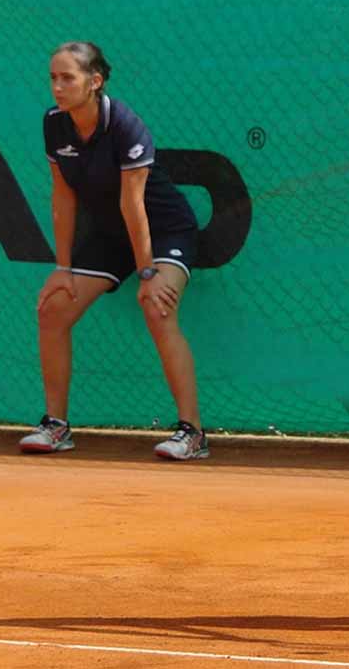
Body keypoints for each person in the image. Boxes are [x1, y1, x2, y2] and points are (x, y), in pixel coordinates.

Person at [19, 41, 208, 461]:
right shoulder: (54, 124)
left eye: (67, 77)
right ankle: (56, 425)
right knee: (53, 309)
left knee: (158, 308)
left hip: (163, 230)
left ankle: (192, 433)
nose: (57, 86)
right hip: (110, 235)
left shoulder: (124, 125)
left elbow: (133, 205)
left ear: (95, 80)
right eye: (53, 77)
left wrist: (147, 274)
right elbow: (63, 196)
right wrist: (62, 266)